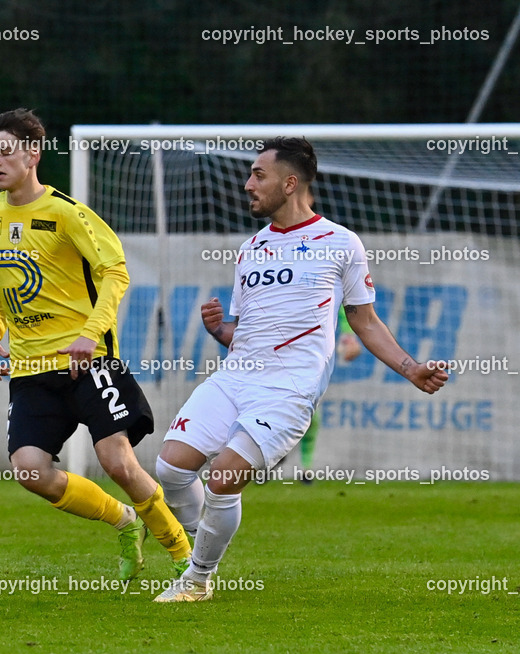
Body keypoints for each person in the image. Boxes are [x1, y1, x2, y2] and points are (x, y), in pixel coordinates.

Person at [153, 136, 448, 602]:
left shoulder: (341, 243)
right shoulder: (251, 248)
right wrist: (220, 332)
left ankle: (197, 579)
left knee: (224, 476)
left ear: (290, 184)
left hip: (289, 388)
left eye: (258, 175)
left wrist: (410, 368)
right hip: (235, 376)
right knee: (169, 468)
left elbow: (364, 320)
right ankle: (197, 548)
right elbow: (245, 332)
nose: (248, 184)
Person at [0, 108, 191, 588]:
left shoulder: (67, 213)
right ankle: (123, 522)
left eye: (5, 150)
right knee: (30, 471)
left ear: (33, 154)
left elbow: (116, 271)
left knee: (117, 461)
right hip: (31, 368)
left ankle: (183, 555)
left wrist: (90, 334)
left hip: (86, 363)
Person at [296, 307, 361, 481]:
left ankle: (306, 468)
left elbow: (341, 305)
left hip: (311, 358)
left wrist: (348, 336)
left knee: (311, 416)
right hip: (280, 353)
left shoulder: (327, 284)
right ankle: (268, 457)